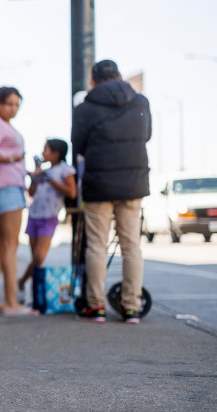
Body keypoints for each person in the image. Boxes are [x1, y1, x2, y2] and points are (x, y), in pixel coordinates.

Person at [71, 59, 151, 324]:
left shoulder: (84, 108)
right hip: (132, 183)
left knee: (96, 244)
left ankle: (96, 306)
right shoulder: (140, 102)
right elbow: (146, 135)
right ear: (119, 76)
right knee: (131, 246)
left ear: (93, 81)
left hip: (99, 184)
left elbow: (78, 145)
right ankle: (131, 307)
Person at [0, 86, 37, 316]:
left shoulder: (2, 125)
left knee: (0, 247)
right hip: (8, 189)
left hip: (5, 187)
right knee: (10, 247)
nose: (14, 109)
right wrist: (9, 157)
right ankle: (12, 303)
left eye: (17, 104)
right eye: (9, 104)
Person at [18, 139, 77, 292]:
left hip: (49, 217)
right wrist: (36, 177)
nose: (43, 153)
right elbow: (30, 193)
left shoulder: (65, 170)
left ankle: (23, 280)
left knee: (39, 257)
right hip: (33, 215)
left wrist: (51, 181)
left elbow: (71, 192)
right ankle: (36, 293)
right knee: (35, 260)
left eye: (46, 150)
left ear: (56, 153)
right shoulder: (43, 170)